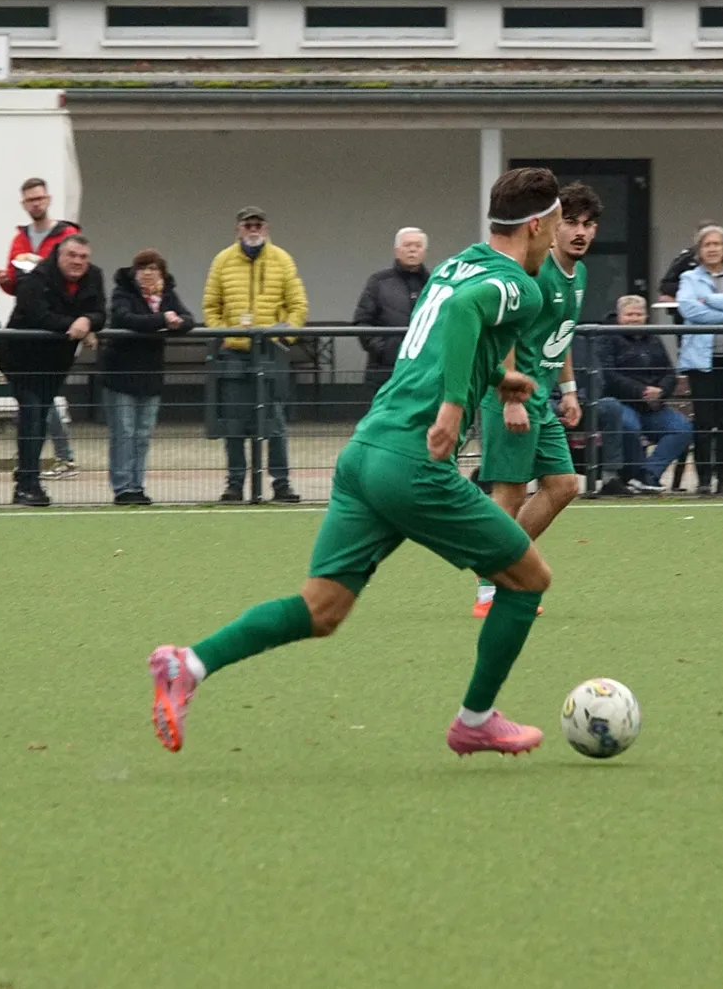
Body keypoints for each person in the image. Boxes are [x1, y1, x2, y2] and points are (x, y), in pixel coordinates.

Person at [146, 167, 560, 757]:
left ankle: (188, 665)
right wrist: (451, 407)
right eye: (558, 223)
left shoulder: (452, 266)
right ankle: (475, 719)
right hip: (413, 462)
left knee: (322, 608)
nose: (559, 236)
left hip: (365, 451)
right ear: (537, 225)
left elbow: (441, 333)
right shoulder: (521, 285)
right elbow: (466, 315)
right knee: (528, 580)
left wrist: (496, 376)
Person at [471, 182, 598, 617]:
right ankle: (490, 589)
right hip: (512, 396)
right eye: (571, 222)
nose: (579, 232)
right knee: (509, 494)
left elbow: (560, 337)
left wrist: (570, 391)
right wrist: (511, 397)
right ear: (552, 226)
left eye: (588, 224)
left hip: (542, 397)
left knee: (564, 485)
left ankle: (500, 565)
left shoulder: (579, 275)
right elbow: (504, 332)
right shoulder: (534, 273)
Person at [203, 206, 308, 503]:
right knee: (234, 422)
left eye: (257, 225)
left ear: (266, 228)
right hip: (235, 353)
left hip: (270, 352)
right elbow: (211, 306)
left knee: (274, 421)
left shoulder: (282, 260)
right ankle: (235, 484)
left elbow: (298, 305)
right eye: (247, 225)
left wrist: (283, 336)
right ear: (238, 229)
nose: (253, 229)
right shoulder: (222, 261)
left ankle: (281, 484)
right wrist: (225, 335)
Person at [0, 234, 104, 507]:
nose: (78, 262)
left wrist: (87, 321)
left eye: (83, 257)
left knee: (40, 419)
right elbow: (38, 315)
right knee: (32, 417)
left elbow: (100, 312)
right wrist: (75, 325)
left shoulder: (94, 276)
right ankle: (27, 484)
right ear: (59, 255)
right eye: (72, 255)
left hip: (56, 364)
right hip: (21, 360)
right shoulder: (36, 277)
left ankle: (29, 480)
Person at [3, 177, 81, 477]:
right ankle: (36, 463)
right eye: (30, 200)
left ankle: (53, 458)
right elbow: (15, 281)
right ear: (24, 204)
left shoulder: (67, 234)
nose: (36, 204)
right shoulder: (20, 238)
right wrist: (6, 281)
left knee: (44, 399)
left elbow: (74, 276)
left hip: (56, 329)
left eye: (39, 198)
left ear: (47, 199)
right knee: (36, 402)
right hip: (28, 329)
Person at [103, 249, 195, 504]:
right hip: (121, 374)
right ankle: (123, 487)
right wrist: (161, 319)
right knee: (124, 432)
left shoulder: (167, 295)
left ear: (161, 273)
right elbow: (125, 318)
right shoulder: (122, 292)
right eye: (143, 268)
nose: (148, 273)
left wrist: (177, 322)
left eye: (153, 268)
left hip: (151, 374)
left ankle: (137, 485)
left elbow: (188, 318)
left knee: (143, 433)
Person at [588, 294, 692, 495]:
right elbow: (608, 376)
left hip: (653, 405)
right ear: (619, 316)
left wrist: (661, 391)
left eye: (638, 314)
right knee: (629, 426)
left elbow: (669, 372)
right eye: (629, 315)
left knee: (682, 428)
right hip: (621, 402)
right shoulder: (606, 338)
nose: (634, 319)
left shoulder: (654, 339)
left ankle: (648, 475)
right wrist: (642, 392)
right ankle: (632, 475)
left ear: (646, 316)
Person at [677, 226, 723, 495]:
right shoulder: (689, 277)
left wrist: (708, 299)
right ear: (699, 250)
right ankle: (704, 479)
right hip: (701, 362)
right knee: (704, 421)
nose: (712, 249)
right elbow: (688, 308)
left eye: (716, 244)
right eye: (707, 244)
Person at [353, 227, 430, 389]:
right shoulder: (379, 282)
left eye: (418, 246)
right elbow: (362, 322)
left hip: (425, 367)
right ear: (396, 251)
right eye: (407, 245)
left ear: (424, 252)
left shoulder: (435, 283)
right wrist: (384, 349)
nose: (412, 250)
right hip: (385, 371)